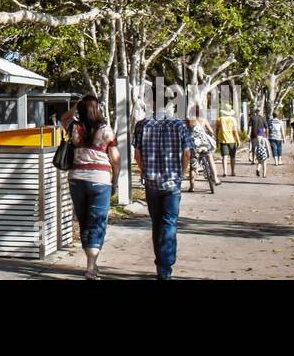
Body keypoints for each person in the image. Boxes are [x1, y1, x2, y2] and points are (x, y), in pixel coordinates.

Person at [61, 96, 120, 279]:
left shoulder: (74, 127)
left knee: (85, 221)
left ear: (82, 110)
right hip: (100, 181)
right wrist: (115, 180)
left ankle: (91, 265)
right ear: (98, 109)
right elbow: (115, 160)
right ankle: (91, 266)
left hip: (77, 180)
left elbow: (63, 118)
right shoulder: (105, 131)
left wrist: (75, 107)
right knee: (97, 222)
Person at [133, 107, 194, 280]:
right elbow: (187, 153)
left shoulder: (142, 125)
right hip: (172, 183)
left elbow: (137, 154)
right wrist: (181, 173)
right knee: (169, 223)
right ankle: (165, 266)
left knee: (156, 223)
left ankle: (161, 262)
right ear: (172, 107)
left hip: (151, 183)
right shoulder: (179, 125)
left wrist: (145, 171)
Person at [186, 111, 219, 191]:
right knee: (209, 156)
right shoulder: (203, 119)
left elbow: (186, 132)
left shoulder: (189, 120)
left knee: (193, 165)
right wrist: (211, 135)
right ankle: (215, 178)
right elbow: (211, 131)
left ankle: (192, 187)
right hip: (204, 144)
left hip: (194, 145)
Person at [215, 105, 240, 177]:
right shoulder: (233, 119)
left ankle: (225, 172)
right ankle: (232, 171)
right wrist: (238, 140)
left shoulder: (220, 119)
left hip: (222, 140)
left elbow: (217, 130)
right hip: (232, 140)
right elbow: (235, 131)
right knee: (232, 157)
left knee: (224, 156)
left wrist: (216, 139)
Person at [250, 111, 271, 177]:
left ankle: (258, 169)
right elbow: (267, 147)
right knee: (264, 164)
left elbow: (254, 147)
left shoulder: (252, 118)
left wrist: (255, 154)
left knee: (259, 162)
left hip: (258, 152)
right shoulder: (264, 139)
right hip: (264, 152)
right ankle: (264, 175)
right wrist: (269, 153)